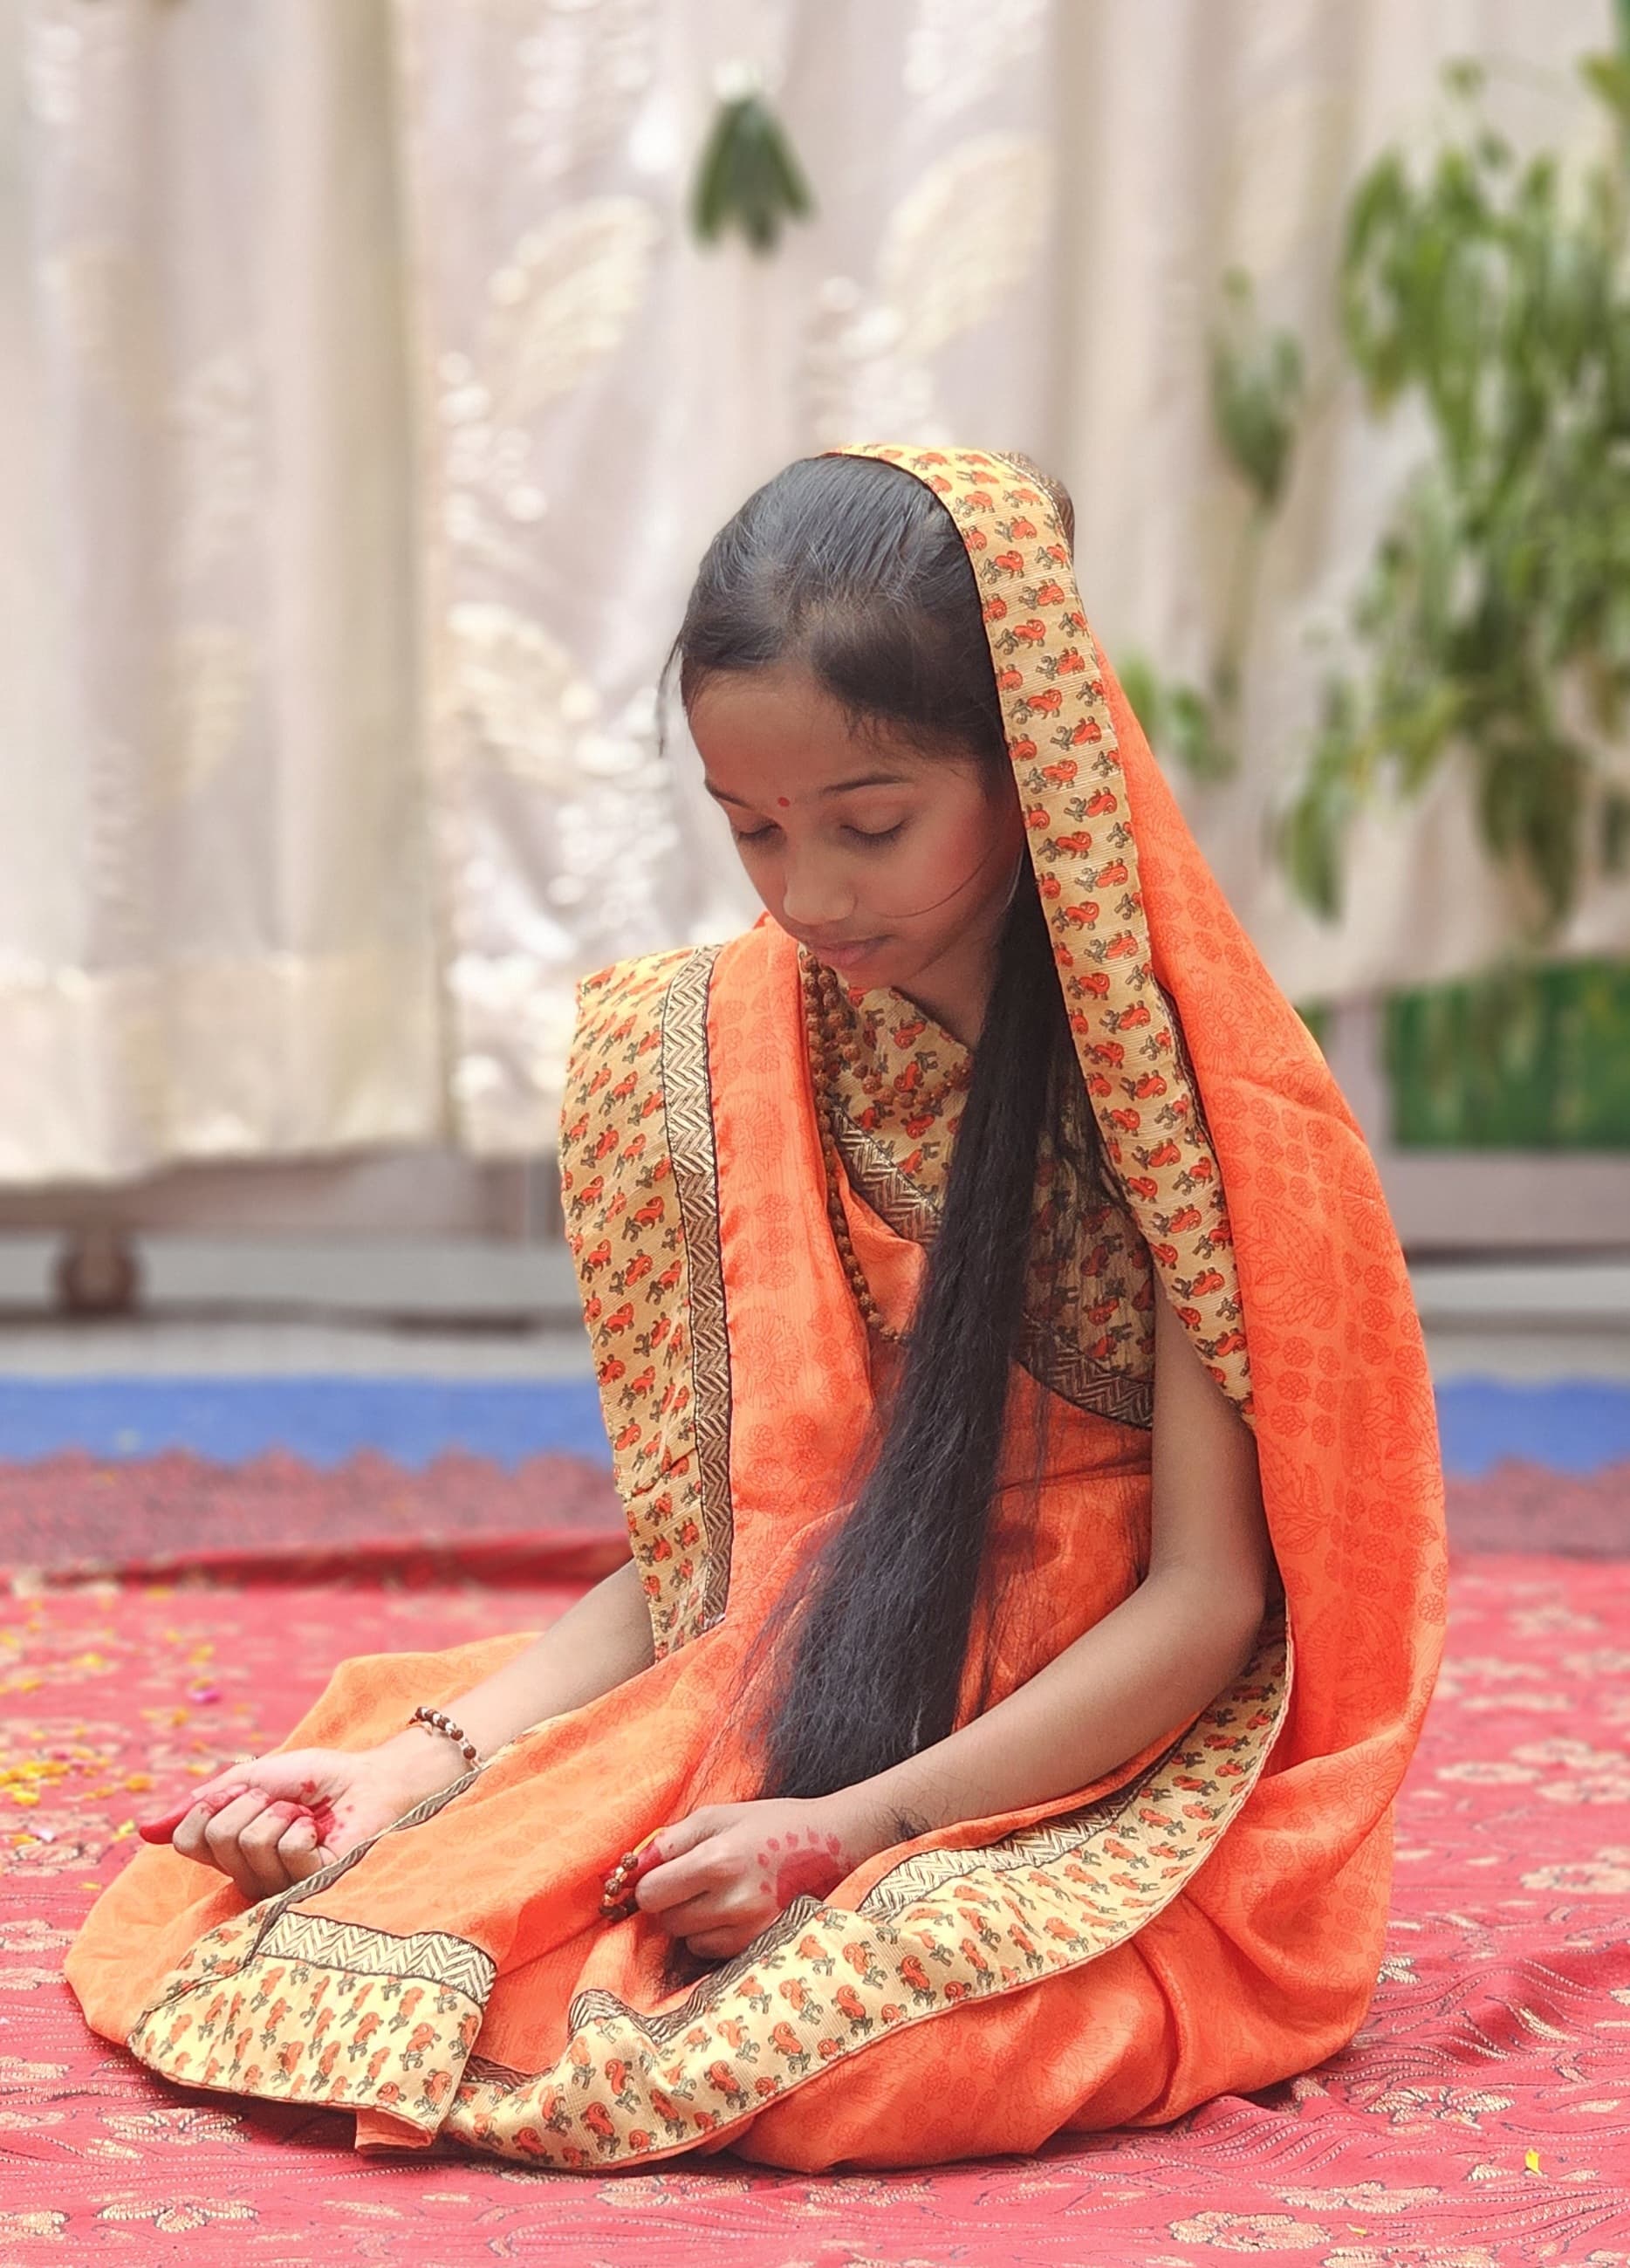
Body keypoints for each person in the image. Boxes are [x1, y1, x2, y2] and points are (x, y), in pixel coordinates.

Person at [64, 445, 1446, 2172]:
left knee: (848, 2053)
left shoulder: (1195, 1110)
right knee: (354, 1918)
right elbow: (727, 1560)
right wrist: (427, 1764)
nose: (807, 895)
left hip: (1102, 1745)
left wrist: (849, 1833)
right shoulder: (721, 1046)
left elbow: (1205, 1602)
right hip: (786, 1680)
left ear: (1032, 763)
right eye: (754, 829)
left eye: (871, 825)